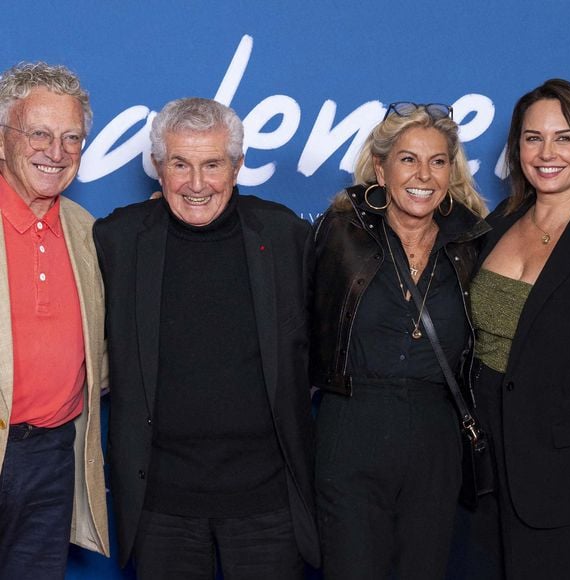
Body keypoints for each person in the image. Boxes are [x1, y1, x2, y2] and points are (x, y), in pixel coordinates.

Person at [92, 97, 320, 579]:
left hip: (267, 502)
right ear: (158, 166)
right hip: (160, 504)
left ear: (237, 166)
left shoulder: (284, 236)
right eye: (181, 164)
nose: (196, 184)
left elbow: (319, 349)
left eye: (212, 164)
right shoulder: (118, 239)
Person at [311, 102, 489, 579]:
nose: (424, 175)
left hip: (436, 435)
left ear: (451, 171)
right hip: (351, 426)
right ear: (380, 168)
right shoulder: (338, 234)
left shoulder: (473, 242)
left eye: (437, 161)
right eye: (408, 159)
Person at [463, 79, 570, 580]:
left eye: (564, 136)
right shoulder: (501, 219)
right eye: (532, 138)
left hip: (562, 475)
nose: (546, 152)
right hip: (482, 468)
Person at [0, 62, 109, 579]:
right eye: (39, 134)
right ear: (3, 140)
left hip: (52, 455)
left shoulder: (87, 231)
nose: (57, 152)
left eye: (72, 138)